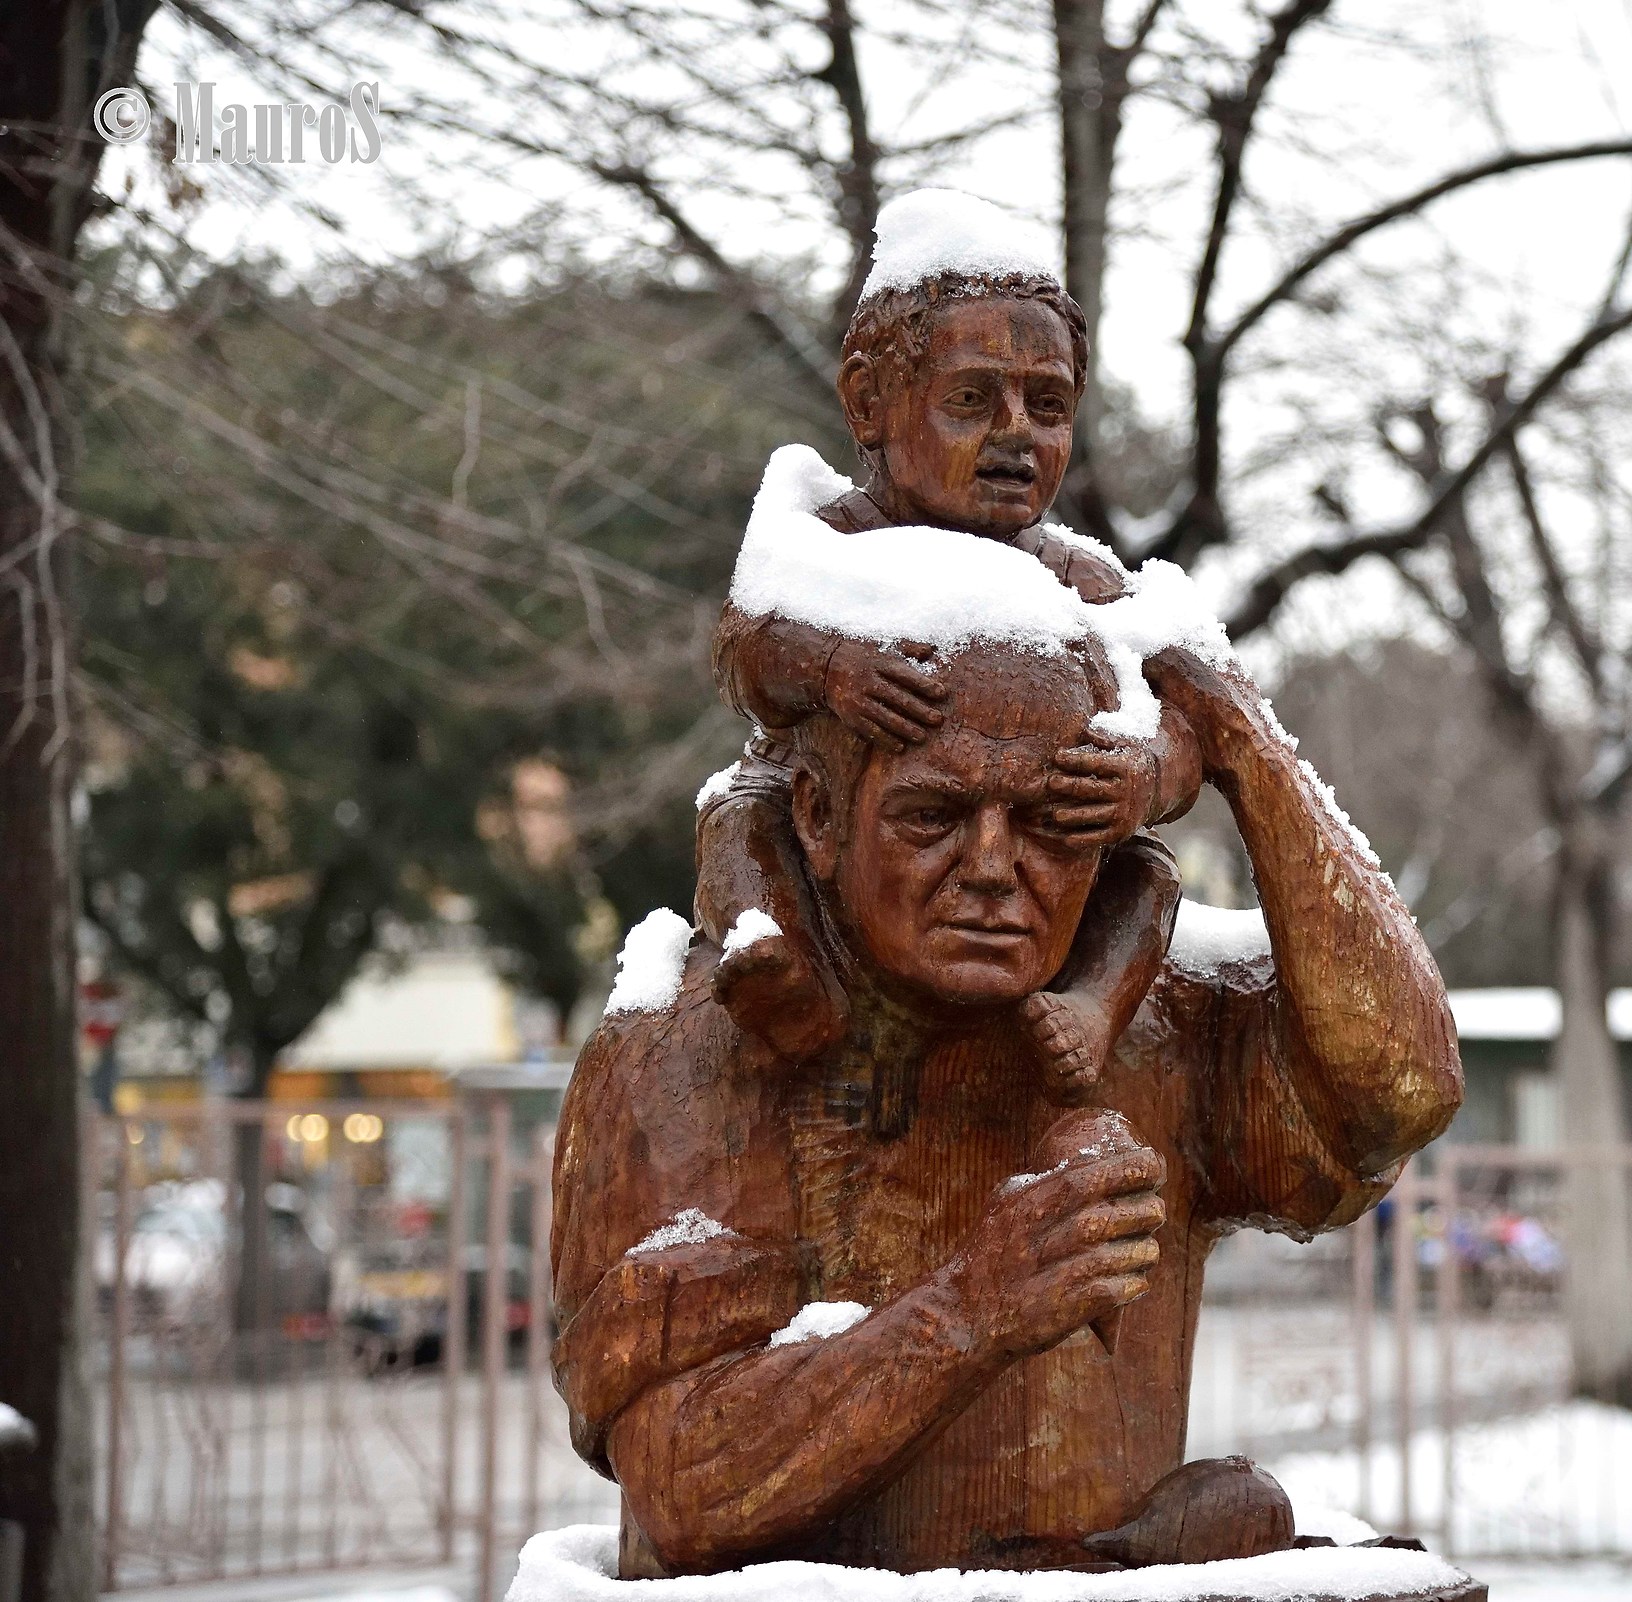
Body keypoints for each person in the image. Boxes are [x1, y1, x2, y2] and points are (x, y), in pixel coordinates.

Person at [549, 637, 1462, 1578]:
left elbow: (1401, 1091)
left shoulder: (1162, 1022)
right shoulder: (684, 1047)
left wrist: (1244, 745)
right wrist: (969, 1311)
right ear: (821, 820)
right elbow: (680, 1483)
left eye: (1050, 824)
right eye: (932, 815)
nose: (992, 866)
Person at [697, 190, 1198, 1102]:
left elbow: (1185, 724)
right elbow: (745, 646)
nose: (1015, 434)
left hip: (1043, 846)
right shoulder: (831, 541)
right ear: (869, 402)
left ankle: (1092, 1008)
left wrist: (1146, 777)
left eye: (1046, 405)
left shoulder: (1083, 581)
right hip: (829, 820)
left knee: (1149, 880)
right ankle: (774, 961)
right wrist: (831, 668)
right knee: (738, 817)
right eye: (971, 400)